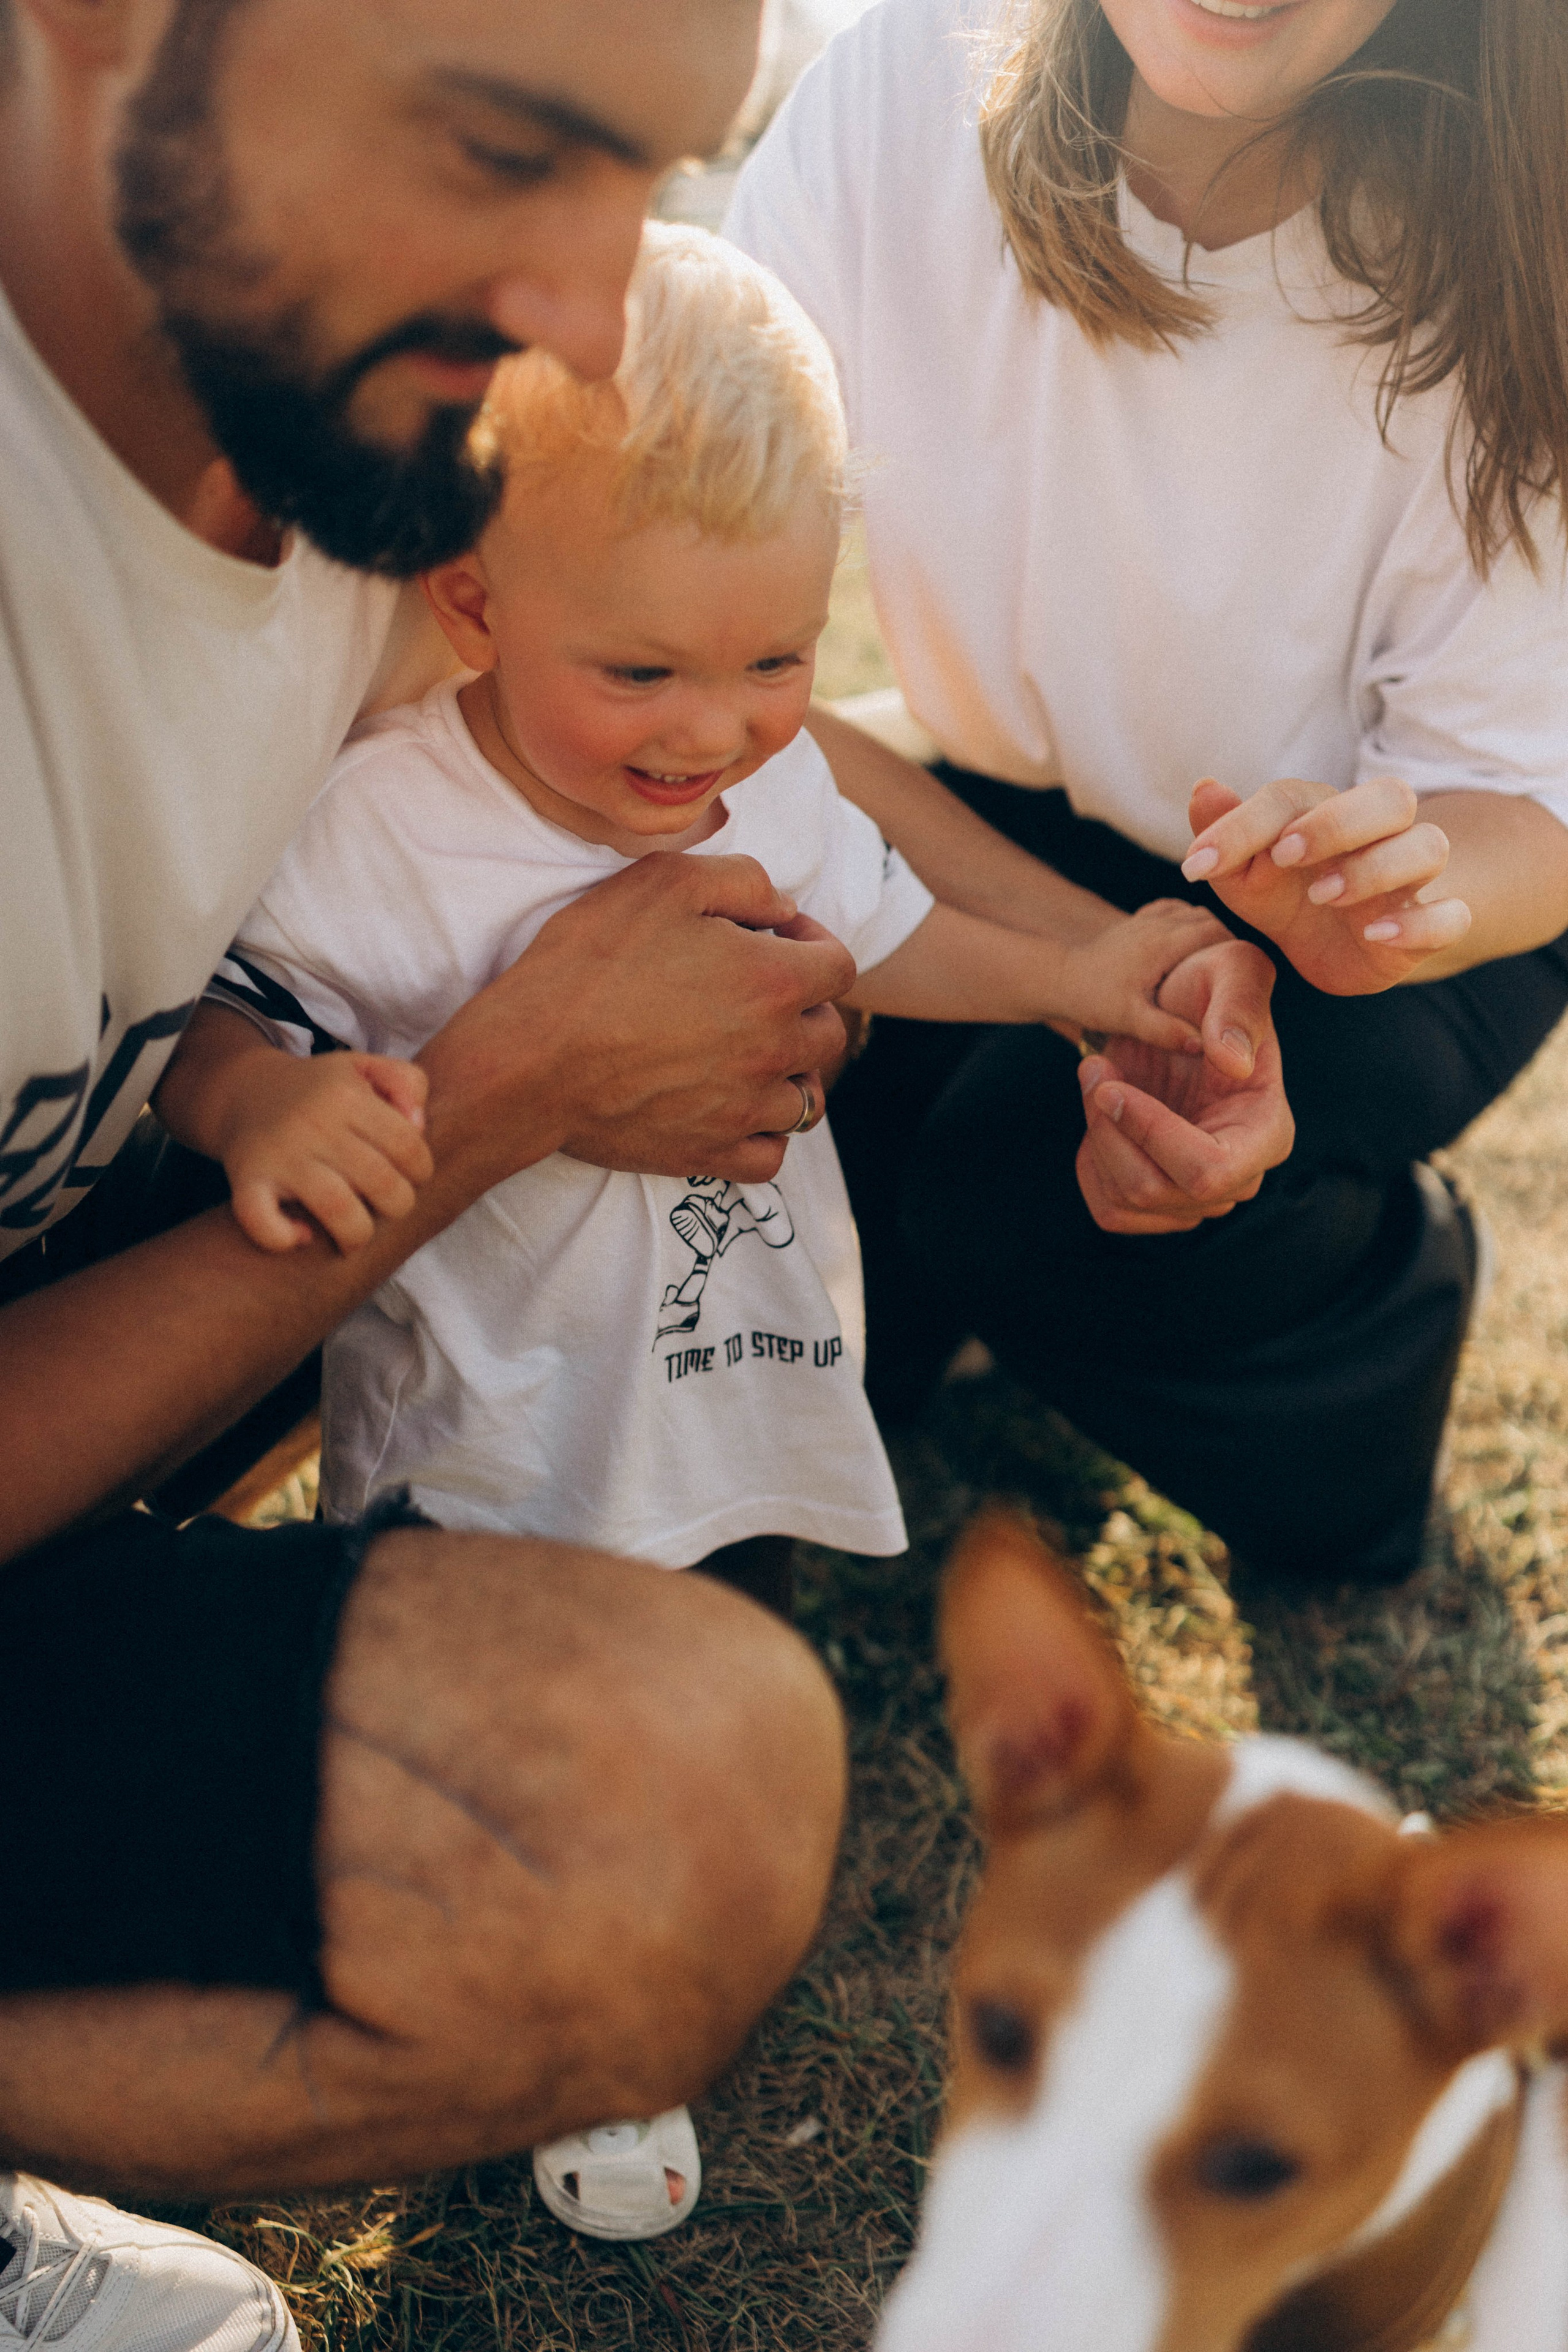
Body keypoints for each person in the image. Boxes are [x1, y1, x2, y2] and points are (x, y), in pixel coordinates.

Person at [0, 0, 859, 2337]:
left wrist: (1122, 968)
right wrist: (505, 1097)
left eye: (653, 192)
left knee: (680, 1797)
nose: (586, 321)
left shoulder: (356, 472)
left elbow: (754, 738)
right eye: (503, 150)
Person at [157, 223, 1257, 1609]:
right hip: (485, 1459)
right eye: (639, 670)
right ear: (473, 605)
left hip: (736, 1409)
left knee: (727, 1680)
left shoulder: (776, 783)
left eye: (775, 661)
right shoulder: (385, 816)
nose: (712, 729)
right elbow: (214, 1010)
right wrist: (254, 1100)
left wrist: (1077, 975)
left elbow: (885, 933)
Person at [728, 0, 1568, 1590]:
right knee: (798, 1183)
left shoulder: (1527, 224)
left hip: (1422, 880)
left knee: (1030, 1199)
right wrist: (1088, 967)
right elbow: (692, 682)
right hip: (1022, 810)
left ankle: (1375, 1326)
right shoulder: (906, 82)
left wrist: (1392, 907)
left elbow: (1532, 800)